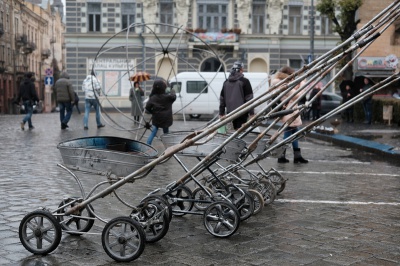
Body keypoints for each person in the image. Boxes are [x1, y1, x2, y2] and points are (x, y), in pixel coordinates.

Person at [270, 66, 308, 164]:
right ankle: (282, 155)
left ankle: (297, 155)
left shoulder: (281, 82)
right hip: (288, 111)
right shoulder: (283, 84)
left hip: (290, 110)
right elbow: (296, 95)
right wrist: (303, 84)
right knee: (288, 132)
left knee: (294, 131)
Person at [219, 61, 254, 130]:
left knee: (233, 130)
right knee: (240, 130)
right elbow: (249, 98)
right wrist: (251, 113)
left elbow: (222, 99)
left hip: (230, 112)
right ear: (241, 70)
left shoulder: (226, 82)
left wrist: (221, 112)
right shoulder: (244, 81)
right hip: (242, 111)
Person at [145, 79, 176, 145]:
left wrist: (153, 112)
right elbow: (174, 97)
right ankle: (168, 145)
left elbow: (147, 108)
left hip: (156, 118)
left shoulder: (153, 97)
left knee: (154, 132)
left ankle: (148, 144)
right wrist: (172, 90)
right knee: (166, 133)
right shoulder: (167, 97)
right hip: (166, 119)